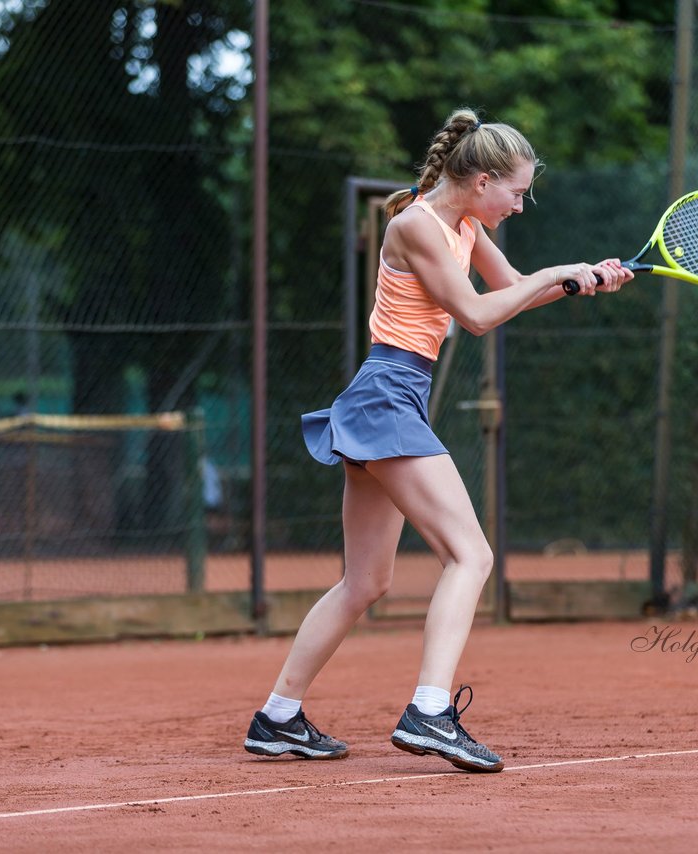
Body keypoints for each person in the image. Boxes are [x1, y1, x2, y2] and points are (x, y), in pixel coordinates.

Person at [243, 108, 632, 773]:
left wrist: (578, 280)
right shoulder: (415, 224)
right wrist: (555, 271)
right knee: (471, 555)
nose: (519, 204)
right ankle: (429, 710)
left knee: (366, 581)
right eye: (516, 191)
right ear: (480, 179)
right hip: (388, 395)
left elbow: (508, 290)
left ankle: (276, 717)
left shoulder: (466, 224)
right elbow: (478, 317)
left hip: (389, 401)